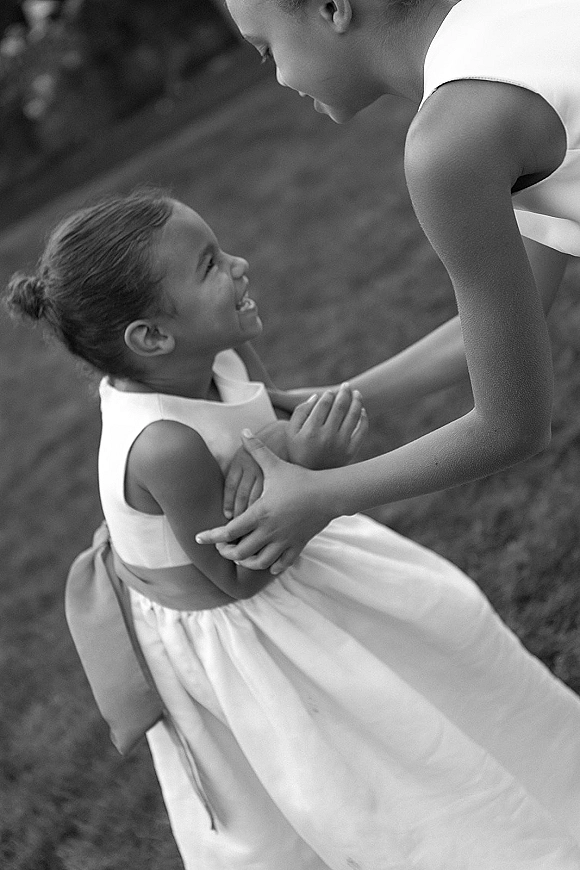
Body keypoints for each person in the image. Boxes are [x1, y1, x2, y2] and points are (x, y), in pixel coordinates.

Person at [6, 188, 580, 868]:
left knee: (445, 657)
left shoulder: (220, 357)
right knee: (362, 770)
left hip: (302, 564)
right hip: (250, 627)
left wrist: (300, 446)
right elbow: (237, 574)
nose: (242, 264)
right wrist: (309, 465)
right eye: (213, 264)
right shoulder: (163, 447)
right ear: (153, 337)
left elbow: (268, 427)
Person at [194, 0, 580, 578]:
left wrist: (321, 495)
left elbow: (511, 426)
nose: (278, 78)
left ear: (332, 8)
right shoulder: (512, 31)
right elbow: (519, 302)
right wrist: (340, 396)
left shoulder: (451, 141)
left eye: (266, 50)